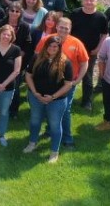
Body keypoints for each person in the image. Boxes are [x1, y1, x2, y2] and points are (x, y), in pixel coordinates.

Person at [34, 17, 88, 148]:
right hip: (49, 82)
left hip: (67, 84)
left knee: (64, 110)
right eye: (61, 27)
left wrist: (78, 80)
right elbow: (36, 56)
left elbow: (84, 62)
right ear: (57, 27)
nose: (63, 30)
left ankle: (67, 138)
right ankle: (49, 130)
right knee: (49, 106)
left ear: (70, 29)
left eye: (66, 28)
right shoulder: (47, 40)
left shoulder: (76, 43)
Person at [23, 35, 73, 163]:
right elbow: (28, 75)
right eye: (49, 46)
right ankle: (32, 143)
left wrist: (53, 97)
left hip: (57, 100)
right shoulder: (36, 58)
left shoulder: (66, 62)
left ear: (59, 48)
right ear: (45, 46)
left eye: (55, 46)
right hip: (36, 97)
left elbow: (68, 84)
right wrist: (35, 93)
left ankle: (54, 152)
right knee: (35, 121)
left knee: (55, 125)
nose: (52, 48)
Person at [69, 0, 108, 110]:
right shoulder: (75, 13)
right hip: (73, 50)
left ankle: (87, 101)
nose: (89, 2)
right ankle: (64, 97)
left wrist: (98, 48)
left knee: (87, 75)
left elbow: (104, 34)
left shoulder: (101, 17)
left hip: (90, 52)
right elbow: (68, 31)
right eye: (86, 0)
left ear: (96, 2)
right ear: (82, 1)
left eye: (91, 0)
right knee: (69, 73)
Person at [5, 2, 35, 117]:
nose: (14, 13)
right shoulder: (2, 23)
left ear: (20, 13)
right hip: (2, 59)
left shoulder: (24, 26)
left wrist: (19, 55)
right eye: (12, 10)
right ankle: (0, 108)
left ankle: (13, 111)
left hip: (18, 60)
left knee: (15, 86)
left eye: (17, 11)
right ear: (8, 11)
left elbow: (28, 43)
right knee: (1, 84)